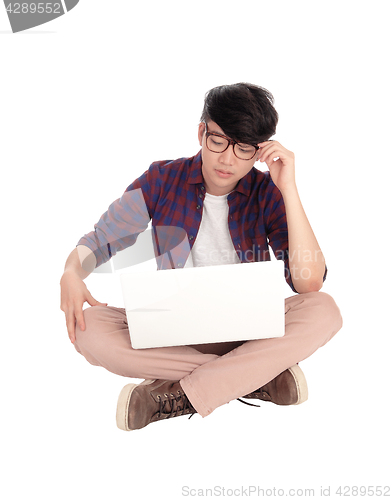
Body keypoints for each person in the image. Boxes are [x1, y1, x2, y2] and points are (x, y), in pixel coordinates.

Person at [60, 83, 343, 431]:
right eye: (218, 140)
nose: (227, 158)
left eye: (243, 148)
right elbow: (104, 237)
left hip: (251, 331)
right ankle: (256, 376)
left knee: (324, 309)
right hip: (174, 331)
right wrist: (72, 271)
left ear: (259, 151)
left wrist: (289, 188)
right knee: (89, 331)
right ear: (201, 132)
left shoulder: (267, 192)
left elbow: (308, 281)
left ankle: (177, 394)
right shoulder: (161, 179)